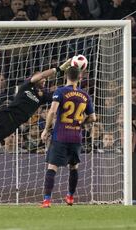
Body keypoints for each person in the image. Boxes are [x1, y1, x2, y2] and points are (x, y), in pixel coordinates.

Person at [40, 66, 96, 208]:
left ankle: (47, 200)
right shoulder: (85, 95)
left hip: (60, 135)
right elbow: (93, 118)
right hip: (76, 137)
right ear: (80, 78)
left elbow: (52, 111)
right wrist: (81, 122)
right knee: (74, 167)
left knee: (52, 167)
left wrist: (46, 129)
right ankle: (70, 197)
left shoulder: (60, 92)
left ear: (66, 76)